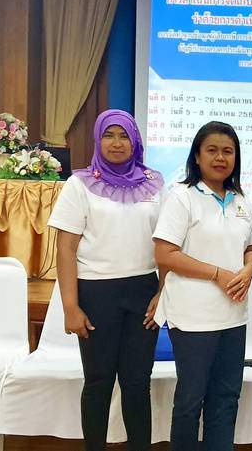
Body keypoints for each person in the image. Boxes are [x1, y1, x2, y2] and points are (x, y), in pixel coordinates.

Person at [48, 109, 165, 451]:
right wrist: (70, 307)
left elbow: (168, 244)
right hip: (96, 294)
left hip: (143, 291)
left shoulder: (156, 184)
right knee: (98, 382)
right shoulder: (79, 184)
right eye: (109, 135)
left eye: (124, 135)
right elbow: (65, 248)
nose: (117, 143)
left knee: (137, 384)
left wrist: (163, 293)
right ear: (98, 140)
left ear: (135, 141)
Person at [152, 121, 252, 451]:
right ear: (197, 156)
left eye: (228, 151)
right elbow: (165, 254)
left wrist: (250, 268)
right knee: (191, 399)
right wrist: (217, 274)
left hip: (234, 317)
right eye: (212, 150)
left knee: (226, 398)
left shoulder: (240, 200)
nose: (220, 158)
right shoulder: (182, 198)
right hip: (193, 319)